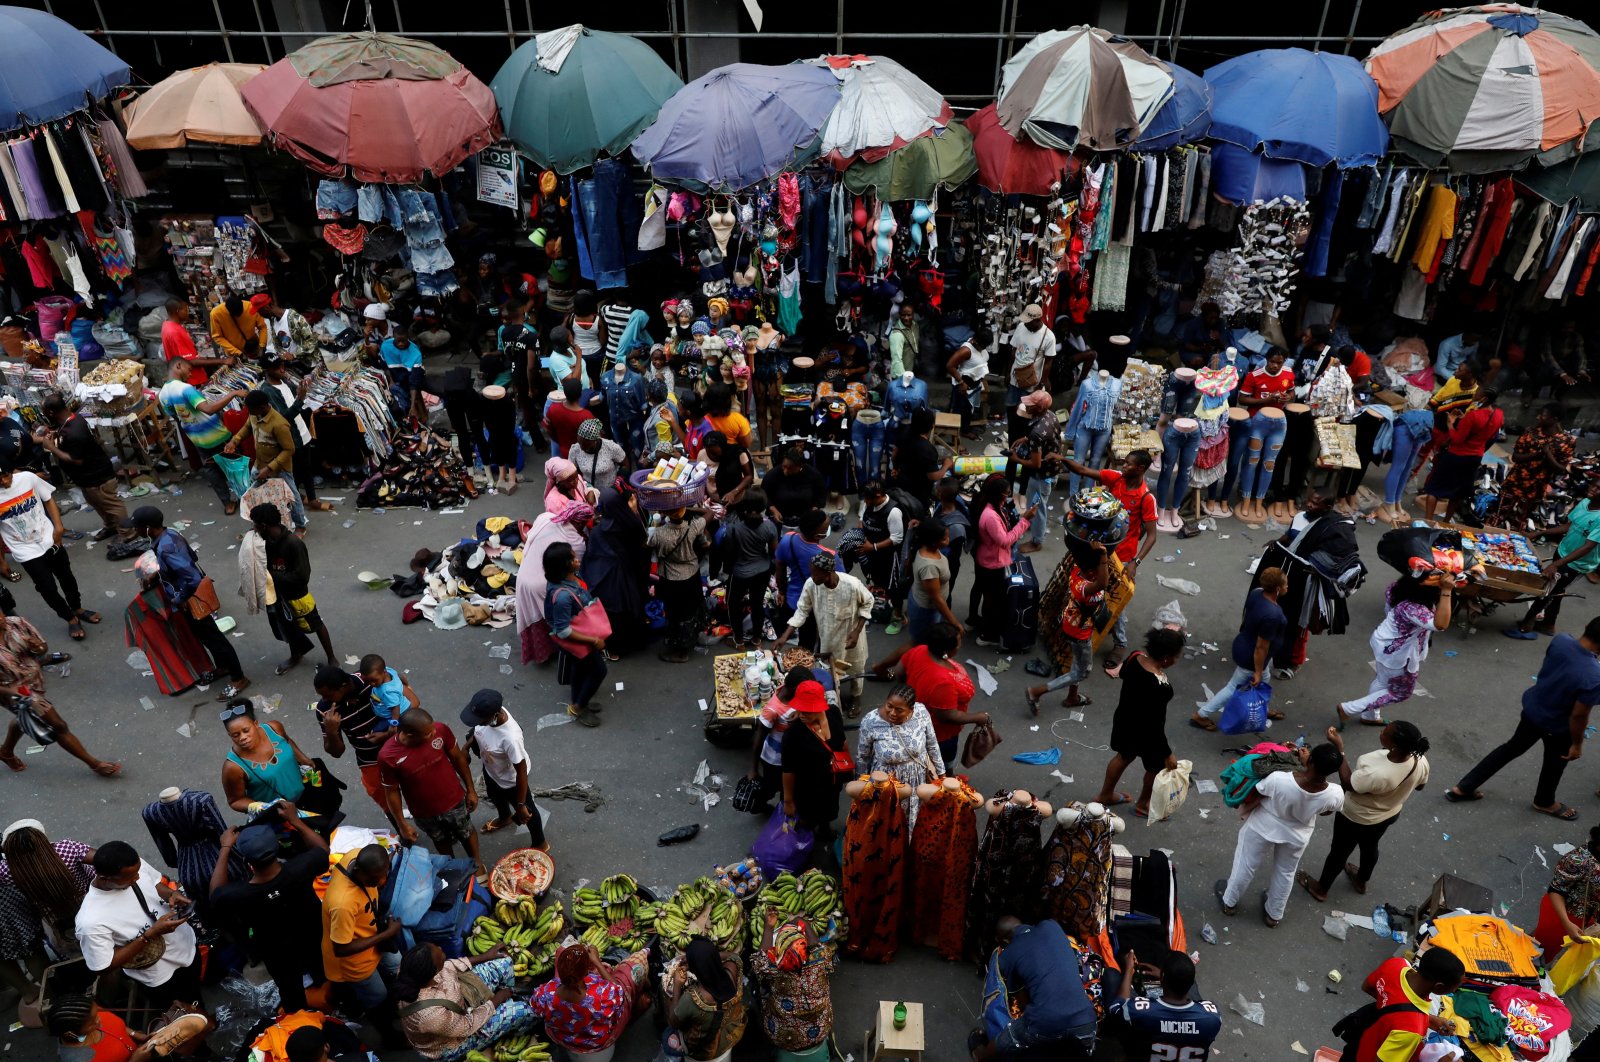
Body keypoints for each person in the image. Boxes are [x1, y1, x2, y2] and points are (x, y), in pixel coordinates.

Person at [1447, 616, 1600, 821]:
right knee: (1554, 764)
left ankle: (1463, 787)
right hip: (1558, 726)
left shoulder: (1561, 640)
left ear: (1586, 626)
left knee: (1510, 748)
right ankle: (1544, 802)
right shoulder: (1593, 676)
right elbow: (1579, 715)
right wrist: (1577, 744)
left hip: (1533, 710)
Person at [1298, 722, 1430, 903]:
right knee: (1370, 846)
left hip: (1356, 818)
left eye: (1385, 732)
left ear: (1395, 745)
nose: (1381, 731)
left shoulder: (1378, 774)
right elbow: (1420, 786)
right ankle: (1361, 880)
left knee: (1339, 853)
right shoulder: (1420, 760)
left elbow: (1348, 784)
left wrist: (1340, 748)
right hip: (1388, 815)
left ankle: (1321, 889)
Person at [208, 817, 329, 1012]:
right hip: (313, 936)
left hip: (276, 951)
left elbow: (215, 893)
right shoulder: (301, 868)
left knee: (290, 990)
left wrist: (225, 848)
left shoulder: (238, 894)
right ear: (277, 848)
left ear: (248, 863)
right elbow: (323, 851)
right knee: (323, 970)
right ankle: (333, 998)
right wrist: (295, 820)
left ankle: (298, 1018)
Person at [1217, 743, 1344, 927]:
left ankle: (1229, 903)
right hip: (1297, 836)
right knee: (1285, 873)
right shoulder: (1335, 793)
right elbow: (1327, 811)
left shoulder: (1278, 779)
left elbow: (1259, 790)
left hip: (1262, 827)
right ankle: (1274, 915)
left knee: (1245, 864)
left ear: (1311, 760)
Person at [75, 841, 203, 1011]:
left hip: (186, 947)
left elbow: (155, 883)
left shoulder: (134, 867)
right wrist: (150, 934)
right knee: (182, 1017)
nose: (137, 878)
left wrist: (171, 894)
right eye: (130, 878)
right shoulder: (90, 921)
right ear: (105, 879)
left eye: (137, 872)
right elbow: (104, 965)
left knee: (195, 997)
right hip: (159, 974)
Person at [1059, 450, 1158, 669]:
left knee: (1115, 600)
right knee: (1084, 589)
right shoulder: (1116, 478)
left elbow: (1152, 535)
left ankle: (1120, 643)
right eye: (1125, 462)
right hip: (1097, 549)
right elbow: (1084, 470)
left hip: (1121, 557)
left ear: (1141, 469)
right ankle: (1077, 625)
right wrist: (1063, 459)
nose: (1124, 466)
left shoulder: (1146, 498)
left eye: (1130, 464)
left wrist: (1135, 562)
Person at [972, 917, 1098, 1061]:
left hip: (1047, 1022)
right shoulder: (1052, 925)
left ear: (1005, 941)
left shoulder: (1008, 955)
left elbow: (1022, 1004)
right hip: (1086, 1020)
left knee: (1008, 1037)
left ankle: (980, 1054)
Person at [1336, 572, 1453, 727]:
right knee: (1401, 692)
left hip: (1384, 643)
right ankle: (1348, 709)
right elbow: (1441, 624)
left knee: (1382, 681)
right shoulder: (1414, 608)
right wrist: (1447, 591)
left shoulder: (1398, 588)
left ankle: (1370, 716)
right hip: (1398, 654)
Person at [1093, 628, 1187, 817]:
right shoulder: (1158, 687)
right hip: (1147, 733)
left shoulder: (1134, 658)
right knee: (1156, 767)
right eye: (1176, 657)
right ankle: (1143, 804)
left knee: (1123, 756)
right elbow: (1155, 724)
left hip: (1125, 720)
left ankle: (1105, 794)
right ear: (1166, 658)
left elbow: (1125, 675)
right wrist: (1167, 753)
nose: (1176, 661)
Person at [395, 941, 540, 1062]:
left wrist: (486, 956)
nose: (440, 948)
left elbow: (450, 965)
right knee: (522, 1010)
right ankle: (522, 1028)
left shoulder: (409, 969)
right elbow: (467, 1026)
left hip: (460, 1002)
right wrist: (498, 999)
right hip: (456, 1039)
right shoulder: (429, 1016)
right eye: (439, 954)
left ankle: (509, 1000)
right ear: (433, 971)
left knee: (504, 961)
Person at [0, 461, 97, 641]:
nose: (5, 482)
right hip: (25, 550)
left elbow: (48, 498)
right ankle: (69, 617)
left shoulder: (27, 479)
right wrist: (2, 561)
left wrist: (58, 527)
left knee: (66, 576)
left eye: (7, 475)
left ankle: (77, 608)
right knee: (47, 588)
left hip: (50, 538)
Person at [380, 708, 483, 873]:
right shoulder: (388, 756)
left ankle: (477, 865)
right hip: (424, 813)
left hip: (455, 801)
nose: (434, 732)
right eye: (428, 733)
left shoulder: (440, 730)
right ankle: (452, 869)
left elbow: (458, 758)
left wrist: (471, 789)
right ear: (410, 735)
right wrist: (402, 825)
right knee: (440, 840)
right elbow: (391, 791)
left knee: (466, 831)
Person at [0, 821, 92, 1001]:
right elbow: (101, 860)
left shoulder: (8, 870)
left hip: (53, 921)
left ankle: (67, 988)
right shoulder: (67, 849)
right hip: (85, 908)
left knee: (73, 955)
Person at [0, 637, 119, 776]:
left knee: (25, 717)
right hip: (16, 694)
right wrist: (13, 692)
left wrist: (38, 648)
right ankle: (95, 764)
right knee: (58, 726)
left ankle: (6, 751)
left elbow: (41, 648)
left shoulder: (16, 623)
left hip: (34, 683)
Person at [774, 553, 874, 715]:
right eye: (811, 573)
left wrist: (856, 631)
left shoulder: (852, 584)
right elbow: (802, 611)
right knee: (832, 671)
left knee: (855, 669)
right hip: (828, 639)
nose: (813, 577)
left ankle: (856, 697)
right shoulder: (811, 585)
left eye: (816, 574)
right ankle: (834, 698)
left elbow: (868, 602)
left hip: (852, 639)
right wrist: (785, 636)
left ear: (829, 572)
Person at [1192, 567, 1289, 729]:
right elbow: (1261, 648)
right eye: (1286, 585)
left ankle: (1263, 707)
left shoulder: (1257, 592)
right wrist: (1257, 671)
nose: (1288, 587)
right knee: (1232, 688)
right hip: (1252, 657)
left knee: (1265, 680)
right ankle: (1201, 715)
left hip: (1244, 643)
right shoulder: (1273, 616)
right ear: (1278, 589)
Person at [322, 842, 403, 1030]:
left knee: (397, 967)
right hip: (355, 960)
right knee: (377, 998)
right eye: (375, 879)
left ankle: (397, 1007)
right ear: (359, 871)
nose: (382, 882)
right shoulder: (343, 903)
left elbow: (379, 867)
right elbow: (341, 948)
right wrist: (387, 935)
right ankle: (389, 1036)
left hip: (373, 935)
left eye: (384, 875)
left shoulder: (356, 854)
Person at [248, 503, 336, 674]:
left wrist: (270, 575)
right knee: (286, 625)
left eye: (256, 525)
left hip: (298, 594)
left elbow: (302, 576)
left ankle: (331, 657)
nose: (254, 529)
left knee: (315, 623)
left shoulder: (293, 544)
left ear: (264, 525)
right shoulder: (265, 542)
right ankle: (296, 655)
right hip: (277, 594)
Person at [529, 942, 651, 1062]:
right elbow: (619, 991)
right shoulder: (601, 996)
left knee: (560, 950)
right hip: (597, 1043)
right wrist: (597, 962)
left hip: (564, 1038)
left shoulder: (544, 994)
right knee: (631, 971)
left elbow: (536, 1007)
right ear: (586, 972)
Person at [1512, 477, 1600, 639]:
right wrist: (1539, 532)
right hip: (1563, 551)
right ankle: (1548, 624)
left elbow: (1588, 547)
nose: (1594, 489)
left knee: (1547, 591)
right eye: (1594, 485)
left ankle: (1525, 627)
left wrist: (1556, 565)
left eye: (1598, 489)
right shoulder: (1584, 502)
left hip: (1576, 563)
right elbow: (1569, 526)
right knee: (1556, 589)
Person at [159, 359, 249, 513]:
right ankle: (247, 499)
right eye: (189, 368)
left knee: (211, 469)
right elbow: (208, 409)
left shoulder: (162, 394)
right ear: (178, 366)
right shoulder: (185, 389)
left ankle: (227, 504)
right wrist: (233, 393)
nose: (190, 373)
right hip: (217, 434)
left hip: (197, 439)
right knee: (235, 465)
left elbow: (176, 416)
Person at [1028, 542, 1109, 713]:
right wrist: (1103, 557)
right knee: (1082, 672)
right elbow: (1103, 583)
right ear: (1092, 572)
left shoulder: (1078, 571)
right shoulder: (1085, 588)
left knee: (1077, 663)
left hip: (1072, 623)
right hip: (1079, 633)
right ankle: (1037, 692)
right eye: (1100, 569)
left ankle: (1072, 696)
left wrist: (1098, 552)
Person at [460, 688, 545, 851]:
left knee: (527, 812)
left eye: (480, 720)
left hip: (511, 781)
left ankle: (540, 843)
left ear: (495, 715)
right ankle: (505, 816)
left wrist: (520, 805)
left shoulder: (510, 738)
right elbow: (478, 732)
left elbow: (521, 770)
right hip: (492, 769)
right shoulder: (488, 717)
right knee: (494, 795)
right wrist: (466, 747)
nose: (477, 723)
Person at [33, 394, 124, 542]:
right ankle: (111, 526)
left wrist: (51, 448)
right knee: (98, 504)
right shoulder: (70, 420)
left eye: (44, 411)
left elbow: (76, 460)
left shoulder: (74, 432)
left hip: (97, 476)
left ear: (50, 412)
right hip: (87, 478)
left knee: (111, 505)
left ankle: (127, 534)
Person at [1350, 950, 1466, 1062]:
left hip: (1362, 1043)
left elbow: (1367, 987)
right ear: (1439, 987)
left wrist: (1427, 1019)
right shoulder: (1411, 1031)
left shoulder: (1396, 964)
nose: (1455, 990)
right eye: (1455, 988)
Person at [313, 665, 395, 822]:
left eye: (328, 695)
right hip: (369, 759)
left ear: (344, 687)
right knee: (386, 801)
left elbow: (405, 704)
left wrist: (387, 734)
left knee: (418, 789)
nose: (324, 700)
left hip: (398, 745)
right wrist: (331, 732)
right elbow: (336, 752)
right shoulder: (325, 710)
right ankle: (403, 834)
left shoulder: (369, 681)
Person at [517, 502, 595, 665]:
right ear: (580, 522)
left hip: (523, 574)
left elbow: (530, 537)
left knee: (534, 615)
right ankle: (559, 649)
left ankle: (540, 654)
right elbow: (574, 568)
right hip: (542, 582)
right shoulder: (576, 541)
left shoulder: (546, 517)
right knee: (551, 619)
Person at [857, 684, 945, 826]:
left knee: (912, 820)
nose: (892, 713)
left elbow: (932, 745)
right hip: (886, 783)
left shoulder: (921, 712)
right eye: (889, 706)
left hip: (917, 780)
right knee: (886, 823)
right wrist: (861, 786)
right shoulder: (870, 721)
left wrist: (942, 775)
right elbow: (862, 756)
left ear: (911, 709)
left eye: (899, 710)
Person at [1109, 951, 1221, 1062]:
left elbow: (1116, 1007)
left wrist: (1128, 969)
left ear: (1162, 978)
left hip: (1144, 1051)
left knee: (1111, 975)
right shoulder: (1212, 1017)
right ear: (1191, 984)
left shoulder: (1142, 1013)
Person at [750, 911, 834, 1059]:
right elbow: (816, 945)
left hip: (783, 1037)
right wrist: (802, 922)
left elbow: (758, 961)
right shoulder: (821, 959)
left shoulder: (772, 970)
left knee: (762, 992)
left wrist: (769, 928)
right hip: (820, 1029)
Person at [544, 541, 609, 725]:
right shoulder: (563, 596)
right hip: (578, 640)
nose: (577, 559)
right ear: (565, 566)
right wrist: (594, 640)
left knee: (579, 668)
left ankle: (578, 699)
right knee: (598, 671)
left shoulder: (566, 579)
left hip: (579, 636)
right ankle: (578, 706)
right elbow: (563, 631)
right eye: (572, 558)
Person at [966, 474, 1034, 649]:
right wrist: (1025, 520)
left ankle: (974, 621)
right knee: (993, 600)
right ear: (997, 494)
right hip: (992, 563)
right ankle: (986, 635)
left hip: (985, 557)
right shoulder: (990, 516)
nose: (1009, 496)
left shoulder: (989, 505)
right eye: (1006, 493)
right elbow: (1005, 540)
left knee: (984, 591)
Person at [581, 488, 647, 659]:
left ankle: (615, 649)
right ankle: (636, 641)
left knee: (612, 615)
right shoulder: (631, 525)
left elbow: (591, 555)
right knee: (630, 608)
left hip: (603, 578)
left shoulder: (598, 530)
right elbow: (641, 552)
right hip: (627, 576)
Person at [49, 992, 209, 1062]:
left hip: (139, 1050)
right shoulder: (80, 1060)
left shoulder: (90, 1016)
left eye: (97, 1011)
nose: (99, 1019)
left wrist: (136, 1035)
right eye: (93, 1021)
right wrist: (135, 1061)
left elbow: (118, 1027)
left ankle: (158, 1047)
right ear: (71, 1033)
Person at [1420, 389, 1503, 523]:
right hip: (1474, 458)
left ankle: (1428, 520)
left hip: (1455, 456)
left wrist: (1450, 424)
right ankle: (1446, 521)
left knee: (1434, 489)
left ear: (1484, 399)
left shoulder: (1474, 416)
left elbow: (1457, 439)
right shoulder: (1498, 415)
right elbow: (1491, 437)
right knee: (1457, 493)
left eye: (1477, 394)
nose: (1474, 395)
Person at [226, 390, 303, 531]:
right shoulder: (254, 415)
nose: (248, 411)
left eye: (250, 409)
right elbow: (247, 427)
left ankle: (300, 525)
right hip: (259, 464)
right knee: (254, 494)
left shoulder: (279, 424)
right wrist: (234, 441)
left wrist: (269, 469)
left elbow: (289, 449)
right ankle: (260, 523)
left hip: (280, 469)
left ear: (262, 407)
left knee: (292, 497)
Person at [1234, 348, 1295, 525]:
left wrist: (1286, 398)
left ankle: (1259, 501)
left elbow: (1292, 393)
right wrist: (1266, 400)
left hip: (1279, 424)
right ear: (1266, 360)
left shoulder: (1289, 374)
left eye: (1280, 362)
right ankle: (1246, 499)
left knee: (1269, 464)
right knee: (1252, 460)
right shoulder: (1255, 375)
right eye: (1273, 362)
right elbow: (1243, 399)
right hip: (1257, 423)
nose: (1276, 366)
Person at [220, 699, 312, 812]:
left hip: (308, 793)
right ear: (229, 735)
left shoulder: (274, 728)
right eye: (235, 735)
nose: (242, 737)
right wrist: (264, 808)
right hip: (281, 814)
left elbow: (287, 741)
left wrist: (303, 758)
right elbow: (235, 801)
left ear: (256, 724)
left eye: (246, 730)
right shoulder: (233, 767)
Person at [665, 936, 746, 1062]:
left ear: (694, 969)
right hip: (732, 1033)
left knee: (667, 1032)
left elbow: (673, 1022)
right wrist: (707, 958)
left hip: (705, 1051)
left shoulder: (692, 999)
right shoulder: (733, 967)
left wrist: (677, 985)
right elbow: (733, 956)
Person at [779, 680, 842, 841]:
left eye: (809, 710)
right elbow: (788, 770)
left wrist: (846, 769)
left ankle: (824, 829)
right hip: (807, 788)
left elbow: (841, 742)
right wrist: (788, 801)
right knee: (807, 820)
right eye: (802, 709)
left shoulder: (833, 714)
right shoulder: (792, 735)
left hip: (831, 782)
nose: (803, 714)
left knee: (829, 810)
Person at [1495, 403, 1574, 531]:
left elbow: (1560, 469)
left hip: (1535, 489)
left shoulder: (1567, 441)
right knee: (1498, 516)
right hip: (1515, 482)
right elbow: (1516, 457)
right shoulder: (1530, 433)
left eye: (1542, 416)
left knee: (1519, 523)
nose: (1538, 417)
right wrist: (1537, 454)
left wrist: (1548, 454)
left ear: (1554, 419)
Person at [649, 505, 709, 664]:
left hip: (671, 580)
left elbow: (646, 545)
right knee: (691, 610)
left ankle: (681, 653)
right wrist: (689, 508)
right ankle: (692, 636)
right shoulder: (693, 527)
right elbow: (710, 513)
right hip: (692, 576)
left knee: (676, 614)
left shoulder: (659, 533)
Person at [774, 510, 842, 648]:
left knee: (789, 626)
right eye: (827, 525)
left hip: (792, 598)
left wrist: (781, 591)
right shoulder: (829, 556)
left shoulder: (788, 539)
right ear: (818, 535)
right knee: (807, 641)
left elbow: (780, 569)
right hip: (814, 605)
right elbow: (838, 584)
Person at [1534, 824, 1600, 957]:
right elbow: (1556, 890)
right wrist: (1567, 924)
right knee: (1541, 951)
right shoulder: (1578, 860)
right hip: (1563, 915)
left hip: (1590, 917)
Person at [723, 492, 777, 649]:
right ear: (762, 508)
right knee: (757, 604)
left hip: (740, 573)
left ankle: (738, 641)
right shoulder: (769, 527)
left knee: (734, 605)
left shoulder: (734, 529)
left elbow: (729, 554)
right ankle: (756, 640)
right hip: (762, 571)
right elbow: (774, 553)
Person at [1010, 391, 1062, 552]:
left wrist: (1016, 459)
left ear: (1038, 408)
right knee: (1037, 504)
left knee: (1038, 508)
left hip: (1042, 475)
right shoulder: (1051, 415)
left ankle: (1037, 541)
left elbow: (1035, 463)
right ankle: (1031, 526)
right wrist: (1027, 439)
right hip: (1053, 468)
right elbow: (1051, 437)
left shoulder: (1036, 433)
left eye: (1029, 404)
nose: (1026, 405)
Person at [905, 519, 961, 642]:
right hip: (927, 611)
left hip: (922, 602)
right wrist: (955, 623)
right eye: (944, 538)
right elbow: (937, 599)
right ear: (932, 542)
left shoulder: (923, 545)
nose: (948, 540)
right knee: (922, 644)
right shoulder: (929, 567)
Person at [162, 298, 231, 384]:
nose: (188, 312)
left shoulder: (167, 325)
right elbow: (190, 361)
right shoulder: (174, 331)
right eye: (185, 310)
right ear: (177, 311)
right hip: (193, 380)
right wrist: (223, 361)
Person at [895, 407, 952, 509]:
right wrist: (946, 466)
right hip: (918, 494)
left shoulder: (903, 433)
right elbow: (933, 476)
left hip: (901, 485)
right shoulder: (927, 449)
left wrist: (895, 468)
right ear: (931, 426)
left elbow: (894, 454)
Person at [1006, 303, 1057, 410]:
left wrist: (1042, 383)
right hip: (1014, 377)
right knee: (1010, 408)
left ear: (1038, 320)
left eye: (1028, 321)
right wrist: (1008, 372)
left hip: (1031, 383)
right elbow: (1013, 351)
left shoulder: (1048, 337)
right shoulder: (1020, 327)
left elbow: (1048, 362)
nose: (1025, 323)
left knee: (1025, 411)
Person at [763, 449, 828, 529]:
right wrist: (773, 509)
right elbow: (763, 494)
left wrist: (815, 509)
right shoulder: (773, 475)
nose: (785, 471)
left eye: (790, 468)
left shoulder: (814, 475)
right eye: (784, 466)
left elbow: (822, 495)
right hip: (779, 520)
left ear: (800, 466)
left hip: (805, 520)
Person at [947, 325, 993, 437]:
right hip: (964, 385)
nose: (984, 348)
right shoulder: (966, 350)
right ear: (977, 342)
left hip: (974, 385)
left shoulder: (980, 348)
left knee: (968, 410)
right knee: (958, 411)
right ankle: (954, 439)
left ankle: (965, 430)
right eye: (984, 346)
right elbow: (950, 366)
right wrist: (961, 383)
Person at [360, 653, 416, 733]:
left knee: (375, 731)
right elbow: (400, 676)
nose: (371, 684)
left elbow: (395, 708)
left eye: (374, 680)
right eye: (367, 681)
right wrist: (405, 685)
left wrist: (393, 724)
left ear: (384, 672)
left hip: (396, 714)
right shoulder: (389, 671)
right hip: (396, 705)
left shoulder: (387, 691)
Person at [572, 419, 628, 495]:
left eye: (585, 445)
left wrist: (618, 483)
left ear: (595, 440)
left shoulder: (611, 447)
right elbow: (573, 472)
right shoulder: (575, 449)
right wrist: (586, 487)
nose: (581, 448)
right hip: (589, 493)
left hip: (610, 493)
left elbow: (626, 465)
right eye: (580, 443)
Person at [546, 378, 597, 459]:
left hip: (564, 452)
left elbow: (549, 431)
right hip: (583, 456)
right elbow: (595, 439)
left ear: (565, 393)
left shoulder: (553, 408)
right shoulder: (586, 416)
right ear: (581, 394)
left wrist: (561, 443)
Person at [703, 430, 753, 507]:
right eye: (708, 452)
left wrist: (733, 492)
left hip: (736, 500)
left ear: (723, 447)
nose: (711, 456)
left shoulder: (738, 453)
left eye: (715, 454)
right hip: (713, 500)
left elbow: (749, 476)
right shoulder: (702, 455)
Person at [210, 293, 267, 359]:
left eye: (241, 312)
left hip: (255, 347)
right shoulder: (216, 314)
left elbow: (262, 327)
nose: (239, 316)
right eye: (236, 314)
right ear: (228, 311)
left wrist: (262, 345)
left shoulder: (249, 306)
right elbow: (217, 337)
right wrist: (237, 352)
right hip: (234, 353)